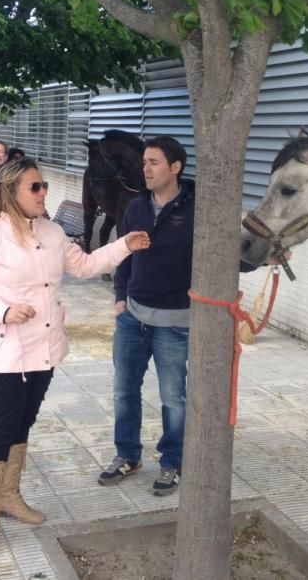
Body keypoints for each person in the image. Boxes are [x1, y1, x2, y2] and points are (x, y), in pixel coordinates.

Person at [0, 156, 149, 559]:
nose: (44, 192)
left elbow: (86, 265)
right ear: (11, 192)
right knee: (2, 427)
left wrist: (123, 245)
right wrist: (2, 310)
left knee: (24, 422)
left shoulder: (53, 231)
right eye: (35, 186)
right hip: (7, 351)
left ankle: (9, 495)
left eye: (44, 185)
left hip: (44, 349)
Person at [96, 135, 195, 496]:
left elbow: (226, 253)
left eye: (154, 162)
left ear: (175, 167)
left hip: (175, 323)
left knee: (173, 398)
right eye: (144, 163)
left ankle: (173, 462)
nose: (146, 169)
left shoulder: (196, 208)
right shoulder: (136, 206)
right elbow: (123, 254)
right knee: (124, 392)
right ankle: (128, 455)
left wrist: (264, 256)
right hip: (132, 318)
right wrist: (120, 297)